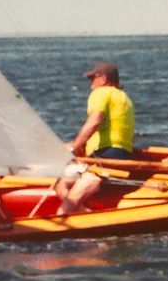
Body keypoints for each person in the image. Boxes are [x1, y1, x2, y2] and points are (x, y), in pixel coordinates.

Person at [55, 60, 135, 215]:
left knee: (64, 209)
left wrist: (76, 146)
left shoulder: (100, 93)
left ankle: (66, 217)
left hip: (107, 155)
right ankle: (83, 212)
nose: (90, 83)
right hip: (121, 154)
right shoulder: (124, 97)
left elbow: (94, 121)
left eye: (93, 78)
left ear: (103, 79)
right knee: (61, 183)